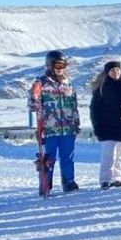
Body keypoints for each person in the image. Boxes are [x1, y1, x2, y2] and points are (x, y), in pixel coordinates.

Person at [29, 50, 82, 193]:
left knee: (68, 157)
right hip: (50, 129)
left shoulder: (68, 84)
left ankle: (69, 181)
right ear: (49, 66)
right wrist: (34, 97)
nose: (60, 69)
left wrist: (76, 122)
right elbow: (32, 104)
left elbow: (73, 105)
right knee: (48, 159)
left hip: (68, 128)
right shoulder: (42, 83)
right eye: (57, 66)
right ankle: (46, 183)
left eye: (63, 66)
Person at [90, 60, 121, 189]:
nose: (116, 72)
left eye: (118, 69)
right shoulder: (102, 87)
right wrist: (97, 126)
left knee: (120, 155)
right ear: (107, 72)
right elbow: (94, 109)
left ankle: (117, 177)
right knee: (109, 154)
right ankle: (105, 179)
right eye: (113, 70)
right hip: (108, 125)